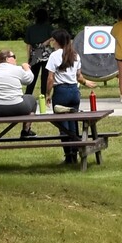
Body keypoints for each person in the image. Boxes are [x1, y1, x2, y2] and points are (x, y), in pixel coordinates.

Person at [43, 29, 84, 162]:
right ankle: (75, 153)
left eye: (53, 40)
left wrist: (48, 94)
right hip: (74, 92)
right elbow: (78, 76)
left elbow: (50, 78)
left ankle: (68, 155)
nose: (52, 42)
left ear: (58, 41)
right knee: (73, 122)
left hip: (61, 91)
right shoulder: (75, 55)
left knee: (63, 126)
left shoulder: (54, 56)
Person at [0, 48, 37, 134]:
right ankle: (26, 130)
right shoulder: (16, 69)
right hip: (14, 106)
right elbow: (29, 80)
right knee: (31, 99)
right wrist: (27, 68)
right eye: (13, 57)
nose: (15, 59)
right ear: (7, 59)